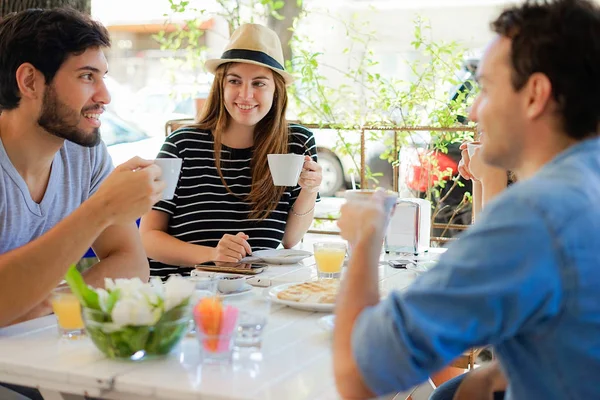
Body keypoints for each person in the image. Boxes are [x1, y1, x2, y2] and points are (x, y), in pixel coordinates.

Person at [333, 1, 600, 399]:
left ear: (535, 95)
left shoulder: (536, 211)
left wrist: (365, 238)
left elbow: (359, 376)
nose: (473, 110)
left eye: (486, 89)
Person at [0, 8, 165, 328]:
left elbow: (132, 265)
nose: (105, 96)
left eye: (103, 77)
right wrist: (101, 209)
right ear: (30, 81)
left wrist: (51, 301)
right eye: (87, 76)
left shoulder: (83, 153)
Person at [140, 23, 322, 279]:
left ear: (276, 90)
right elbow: (149, 238)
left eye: (259, 83)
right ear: (221, 86)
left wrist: (310, 190)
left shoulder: (297, 143)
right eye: (234, 81)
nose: (245, 95)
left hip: (255, 290)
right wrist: (214, 255)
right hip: (182, 291)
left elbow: (291, 239)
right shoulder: (181, 145)